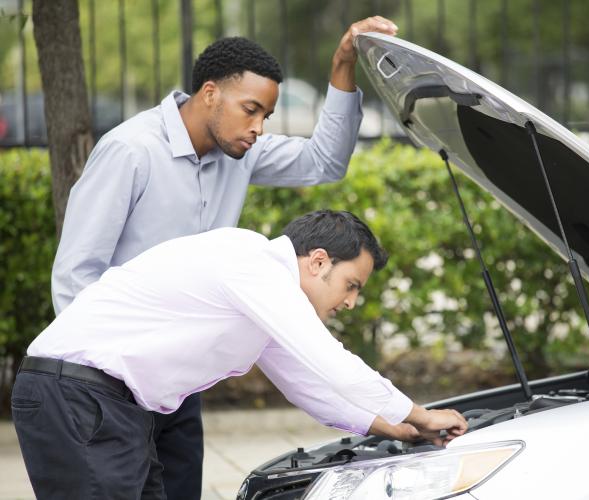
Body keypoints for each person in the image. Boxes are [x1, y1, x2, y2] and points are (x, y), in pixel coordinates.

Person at [49, 16, 399, 499]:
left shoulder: (241, 150)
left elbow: (325, 162)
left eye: (266, 118)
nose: (258, 128)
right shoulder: (130, 151)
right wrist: (103, 386)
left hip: (180, 384)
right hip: (111, 384)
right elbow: (76, 273)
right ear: (210, 93)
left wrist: (343, 67)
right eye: (250, 110)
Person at [13, 210, 468, 499]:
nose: (350, 302)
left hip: (112, 408)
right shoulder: (251, 261)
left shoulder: (264, 297)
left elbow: (310, 385)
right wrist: (422, 414)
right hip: (76, 395)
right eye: (352, 286)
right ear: (319, 261)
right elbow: (333, 364)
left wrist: (395, 428)